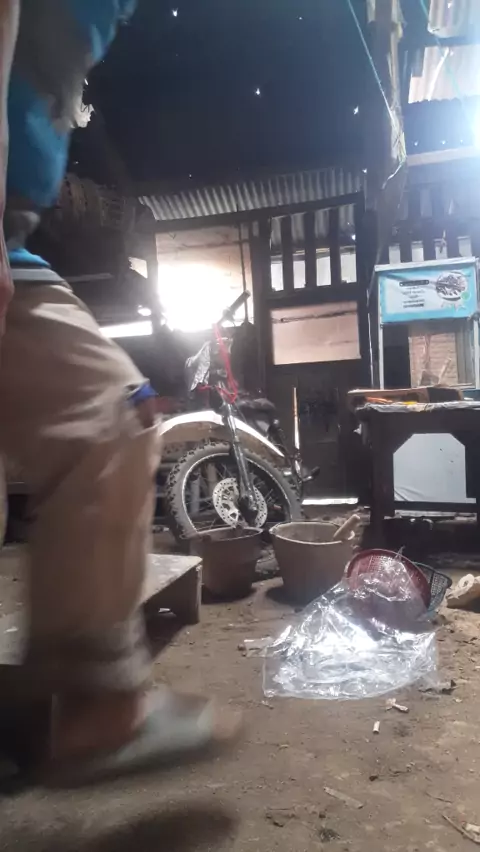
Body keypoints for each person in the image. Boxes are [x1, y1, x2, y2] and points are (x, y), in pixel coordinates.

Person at [0, 0, 240, 784]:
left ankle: (79, 702)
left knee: (116, 414)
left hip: (13, 238)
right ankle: (97, 706)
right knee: (111, 413)